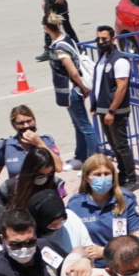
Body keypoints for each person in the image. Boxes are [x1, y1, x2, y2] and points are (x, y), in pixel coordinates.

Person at [88, 25, 137, 188]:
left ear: (113, 39)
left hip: (115, 111)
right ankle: (122, 174)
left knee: (121, 145)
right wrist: (95, 106)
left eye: (104, 39)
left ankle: (131, 178)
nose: (100, 42)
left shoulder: (120, 60)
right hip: (103, 110)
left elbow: (121, 88)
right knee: (114, 145)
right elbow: (100, 84)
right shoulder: (103, 58)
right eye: (98, 39)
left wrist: (111, 110)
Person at [45, 14, 95, 172]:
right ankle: (80, 157)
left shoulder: (60, 47)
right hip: (72, 91)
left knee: (85, 127)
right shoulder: (65, 38)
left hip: (73, 90)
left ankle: (92, 162)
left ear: (45, 28)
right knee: (77, 125)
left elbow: (72, 72)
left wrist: (84, 87)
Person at [67, 154, 139, 247]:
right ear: (86, 178)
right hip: (89, 259)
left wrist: (105, 252)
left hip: (121, 258)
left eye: (106, 174)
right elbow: (70, 239)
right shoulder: (75, 205)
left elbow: (136, 238)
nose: (103, 178)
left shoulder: (126, 200)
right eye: (97, 174)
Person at [0, 106, 62, 189]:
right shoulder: (5, 145)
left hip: (44, 193)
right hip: (19, 194)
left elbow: (58, 167)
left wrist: (39, 143)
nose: (26, 126)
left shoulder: (46, 141)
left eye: (29, 121)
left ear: (34, 120)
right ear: (14, 126)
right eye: (21, 123)